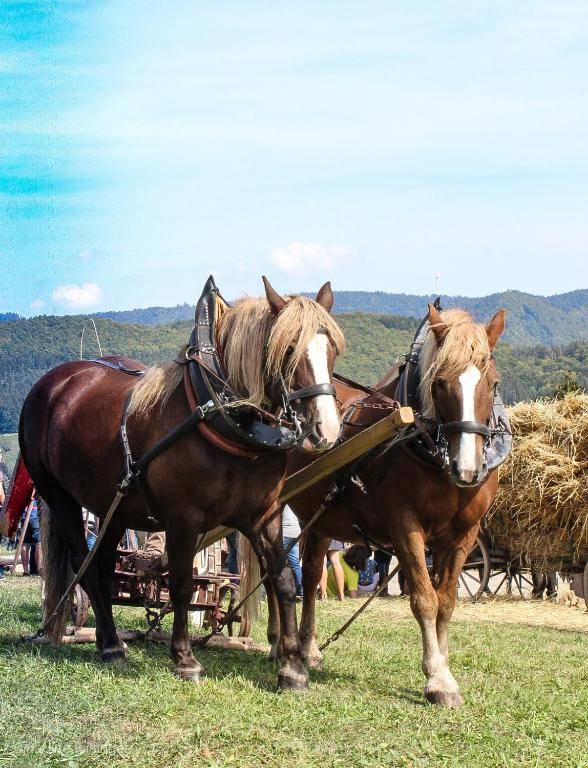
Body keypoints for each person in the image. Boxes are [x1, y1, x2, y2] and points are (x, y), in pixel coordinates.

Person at [282, 505, 302, 597]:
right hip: (296, 531)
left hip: (285, 532)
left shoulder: (281, 499)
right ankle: (300, 592)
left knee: (279, 563)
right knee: (295, 564)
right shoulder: (295, 501)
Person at [21, 497, 41, 576]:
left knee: (25, 544)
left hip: (23, 516)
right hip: (34, 515)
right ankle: (38, 570)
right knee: (38, 543)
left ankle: (26, 571)